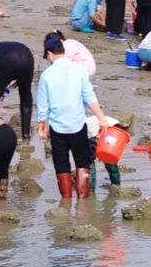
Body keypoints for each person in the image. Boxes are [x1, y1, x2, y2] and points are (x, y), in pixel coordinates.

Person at [36, 37, 111, 199]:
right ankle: (82, 203)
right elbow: (89, 97)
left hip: (57, 128)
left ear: (49, 54)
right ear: (63, 51)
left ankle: (66, 201)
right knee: (82, 162)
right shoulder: (79, 70)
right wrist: (101, 119)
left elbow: (42, 106)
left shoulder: (46, 75)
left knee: (61, 165)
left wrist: (42, 127)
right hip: (77, 124)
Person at [86, 115, 122, 192]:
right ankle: (116, 185)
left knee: (90, 162)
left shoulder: (85, 123)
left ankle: (91, 189)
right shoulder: (114, 122)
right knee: (110, 159)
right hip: (107, 132)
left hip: (94, 134)